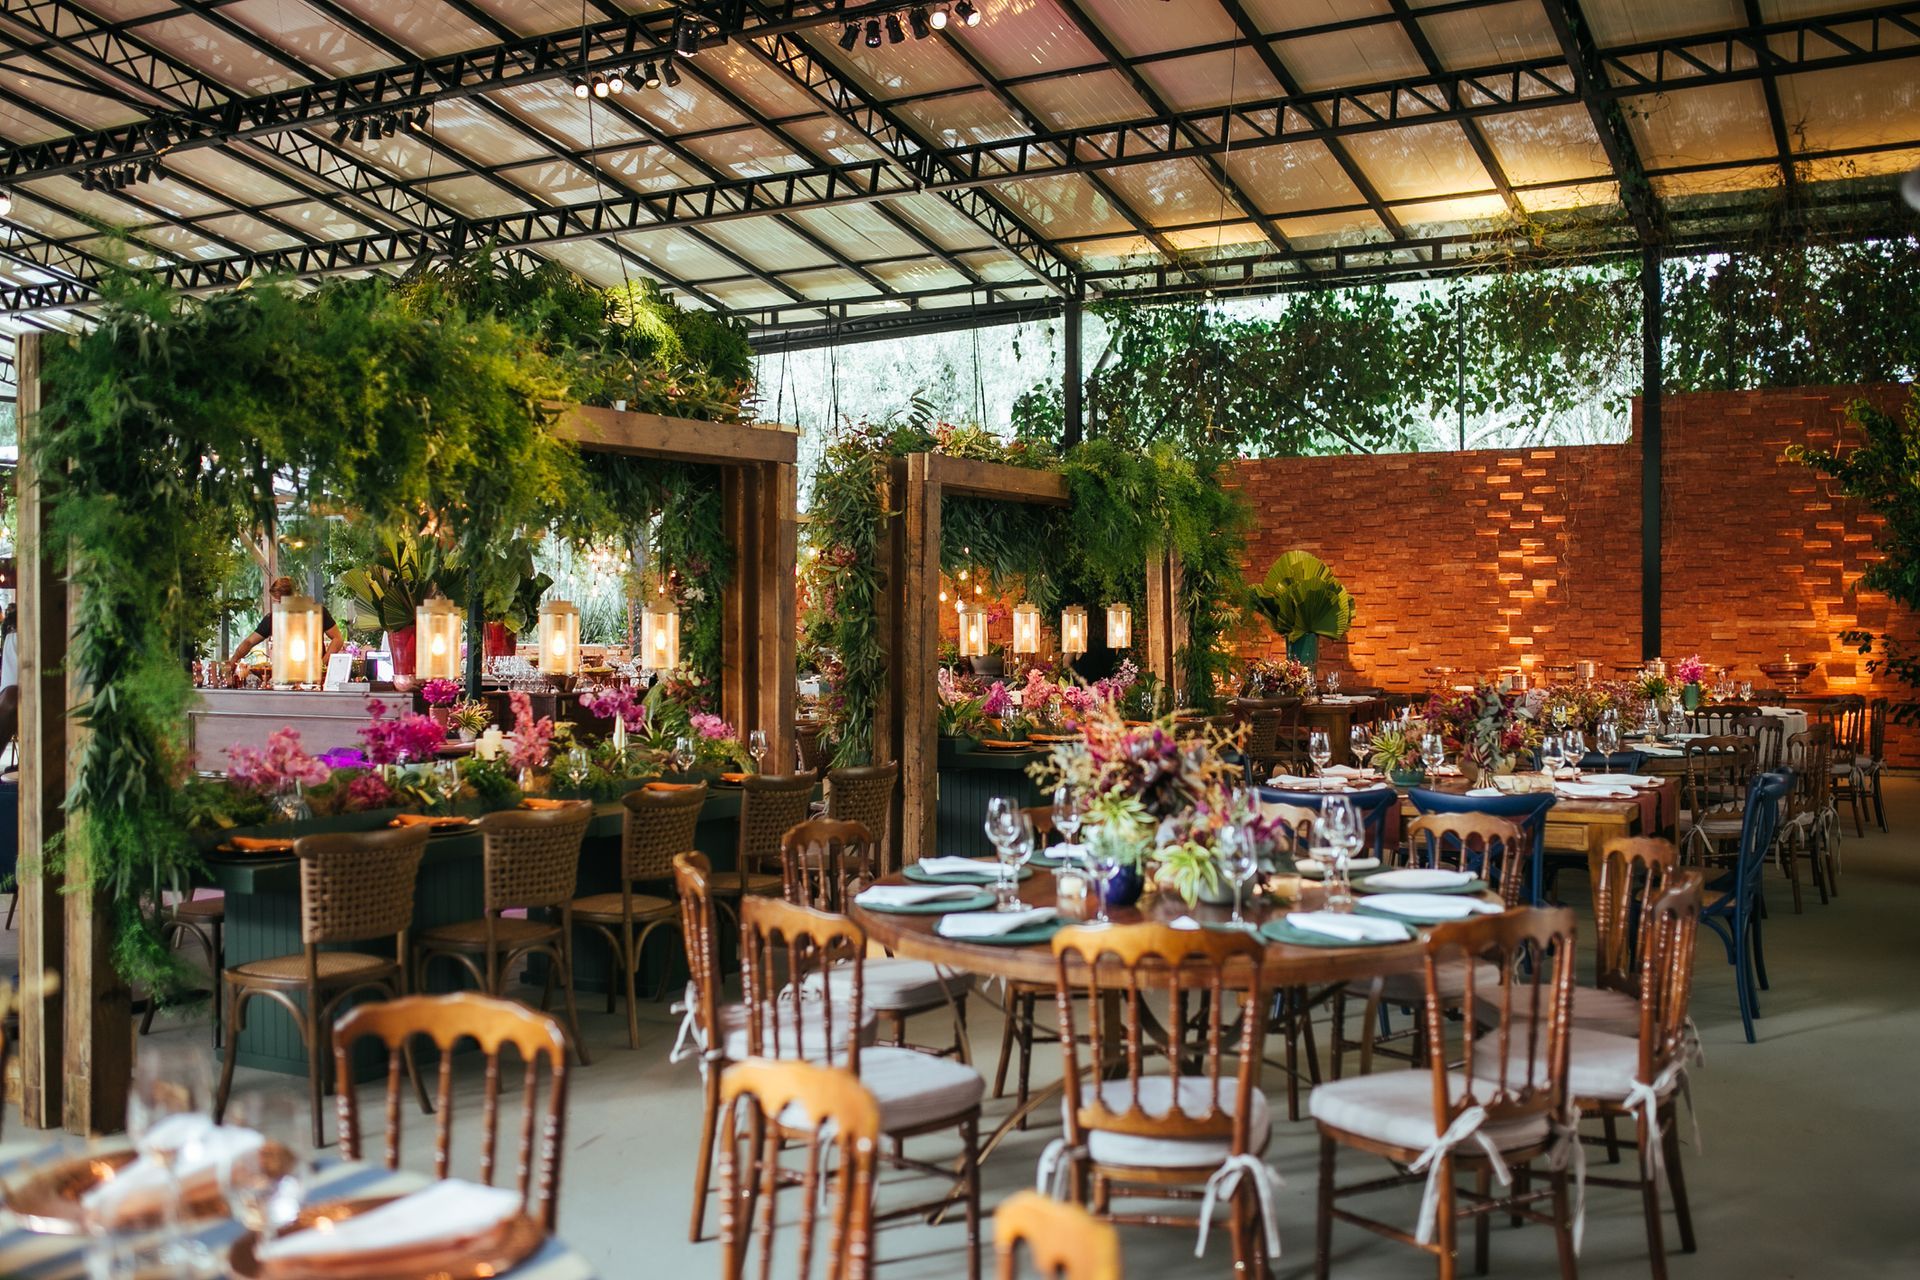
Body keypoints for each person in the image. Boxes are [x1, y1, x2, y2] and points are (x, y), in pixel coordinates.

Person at [229, 576, 343, 669]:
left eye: (279, 601)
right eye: (275, 601)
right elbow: (249, 642)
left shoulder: (317, 612)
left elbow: (337, 639)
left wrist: (322, 663)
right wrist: (233, 660)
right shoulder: (273, 618)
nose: (276, 605)